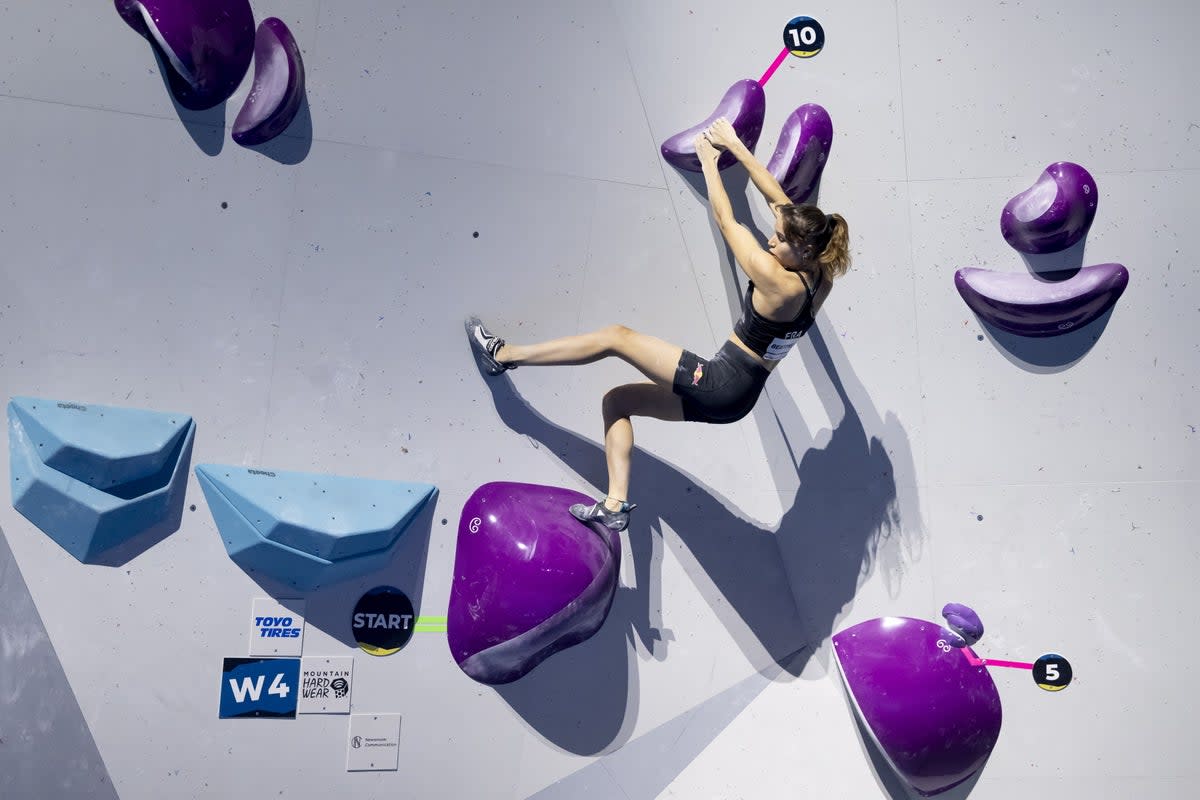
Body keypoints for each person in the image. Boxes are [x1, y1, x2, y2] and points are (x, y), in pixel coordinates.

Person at [467, 117, 851, 531]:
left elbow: (727, 222)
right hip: (739, 400)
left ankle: (503, 355)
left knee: (617, 337)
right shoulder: (820, 277)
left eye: (779, 238)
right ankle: (615, 505)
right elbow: (781, 205)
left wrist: (709, 160)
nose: (771, 240)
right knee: (617, 402)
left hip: (720, 380)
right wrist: (736, 148)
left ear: (804, 247)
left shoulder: (776, 280)